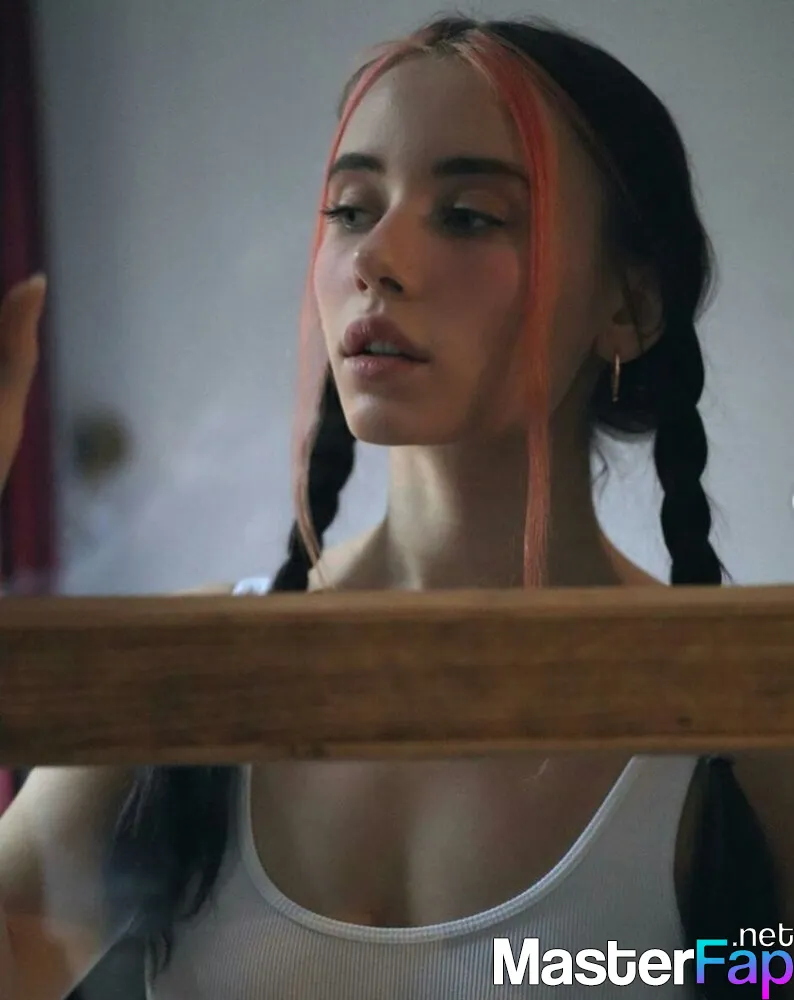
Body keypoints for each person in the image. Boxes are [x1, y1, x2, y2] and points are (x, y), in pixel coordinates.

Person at [0, 14, 790, 1000]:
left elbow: (764, 970)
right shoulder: (178, 686)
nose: (376, 256)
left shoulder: (745, 735)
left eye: (468, 215)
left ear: (627, 306)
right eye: (349, 208)